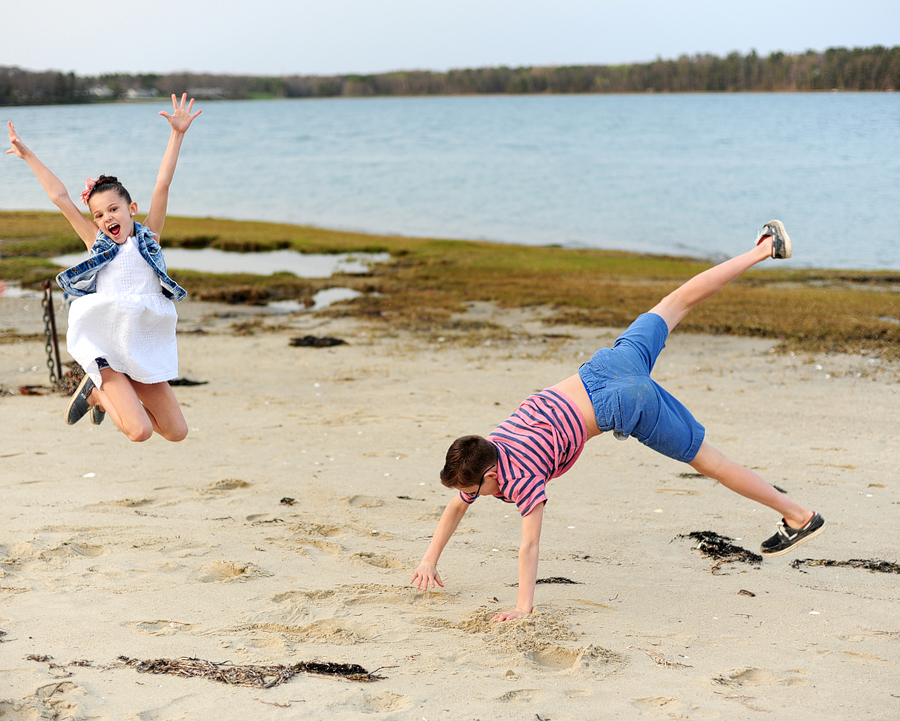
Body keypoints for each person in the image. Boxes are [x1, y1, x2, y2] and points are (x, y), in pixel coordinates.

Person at [411, 221, 826, 622]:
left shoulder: (518, 477)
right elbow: (455, 506)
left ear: (491, 471)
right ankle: (765, 248)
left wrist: (523, 607)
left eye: (475, 489)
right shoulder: (488, 448)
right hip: (605, 367)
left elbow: (529, 544)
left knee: (709, 462)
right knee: (677, 301)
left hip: (624, 403)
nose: (474, 497)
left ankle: (799, 516)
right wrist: (429, 560)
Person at [7, 94, 202, 442]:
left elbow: (163, 184)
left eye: (113, 209)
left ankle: (106, 394)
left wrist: (177, 135)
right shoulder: (98, 243)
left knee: (176, 432)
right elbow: (61, 198)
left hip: (142, 347)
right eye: (98, 214)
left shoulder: (150, 237)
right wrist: (28, 156)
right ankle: (97, 393)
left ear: (131, 209)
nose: (106, 218)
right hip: (107, 350)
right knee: (139, 431)